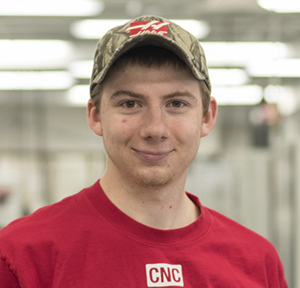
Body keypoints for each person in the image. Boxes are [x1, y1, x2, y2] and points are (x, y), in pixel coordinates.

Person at [0, 15, 288, 287]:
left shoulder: (256, 261)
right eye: (130, 103)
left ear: (207, 117)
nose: (155, 129)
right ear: (96, 116)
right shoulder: (21, 256)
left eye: (176, 104)